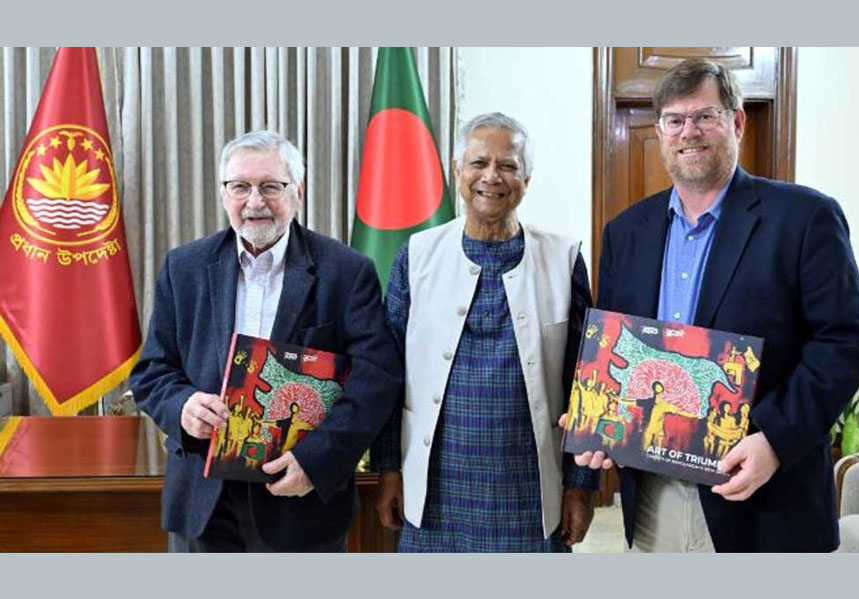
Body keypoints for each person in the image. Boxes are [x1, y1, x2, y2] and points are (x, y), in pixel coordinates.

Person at [575, 59, 859, 552]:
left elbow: (843, 344)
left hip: (765, 498)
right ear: (661, 132)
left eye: (704, 116)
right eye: (674, 120)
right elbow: (614, 347)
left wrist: (774, 441)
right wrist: (602, 422)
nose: (688, 132)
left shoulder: (805, 217)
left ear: (737, 122)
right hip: (654, 500)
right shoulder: (626, 232)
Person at [129, 130, 403, 552]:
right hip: (203, 505)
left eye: (271, 187)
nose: (254, 202)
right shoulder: (183, 268)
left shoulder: (347, 272)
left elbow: (376, 379)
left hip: (301, 502)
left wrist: (317, 461)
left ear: (298, 192)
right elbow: (152, 370)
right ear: (224, 194)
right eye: (240, 186)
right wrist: (182, 406)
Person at [370, 112, 598, 552]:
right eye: (478, 163)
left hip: (531, 491)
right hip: (434, 488)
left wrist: (581, 485)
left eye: (508, 165)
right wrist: (388, 469)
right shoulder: (416, 255)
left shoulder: (563, 259)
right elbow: (388, 373)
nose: (492, 176)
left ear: (527, 179)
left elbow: (584, 384)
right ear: (457, 170)